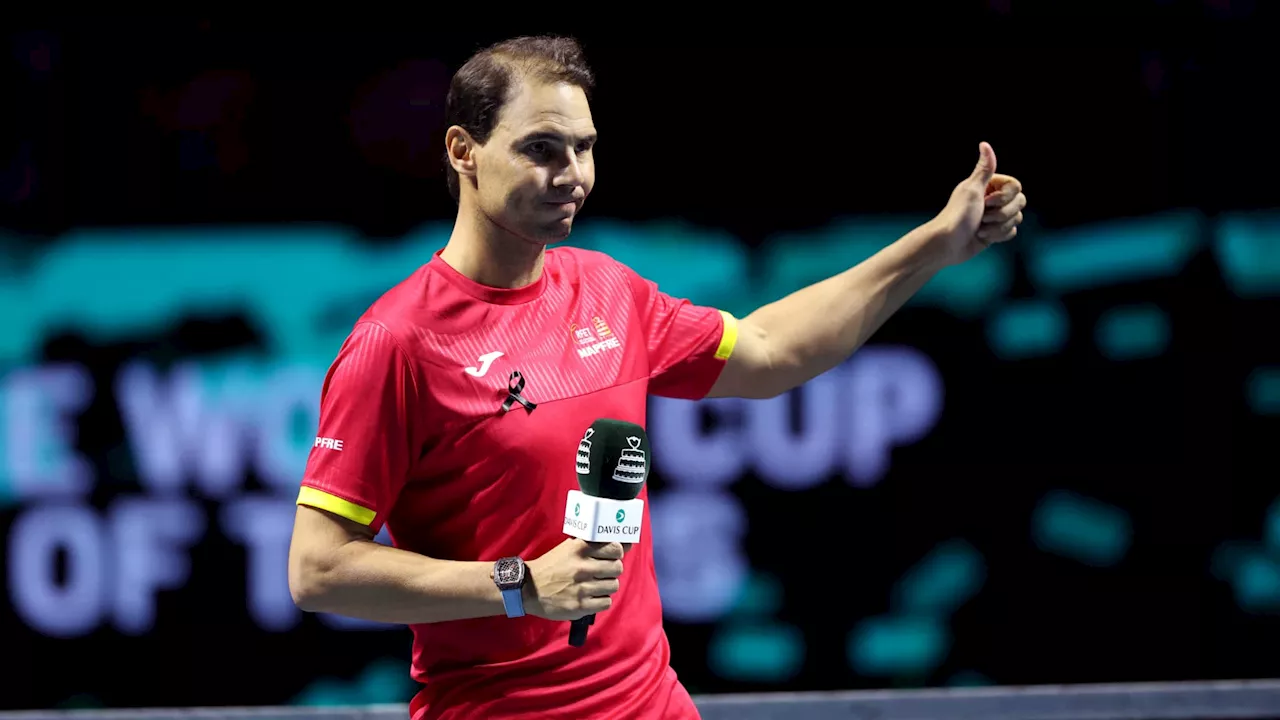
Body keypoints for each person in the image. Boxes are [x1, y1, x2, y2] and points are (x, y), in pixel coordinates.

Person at [286, 35, 1026, 720]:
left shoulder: (609, 292)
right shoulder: (398, 342)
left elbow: (771, 350)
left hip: (651, 703)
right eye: (541, 149)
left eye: (584, 148)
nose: (571, 175)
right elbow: (318, 570)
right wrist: (519, 585)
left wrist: (932, 247)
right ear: (463, 150)